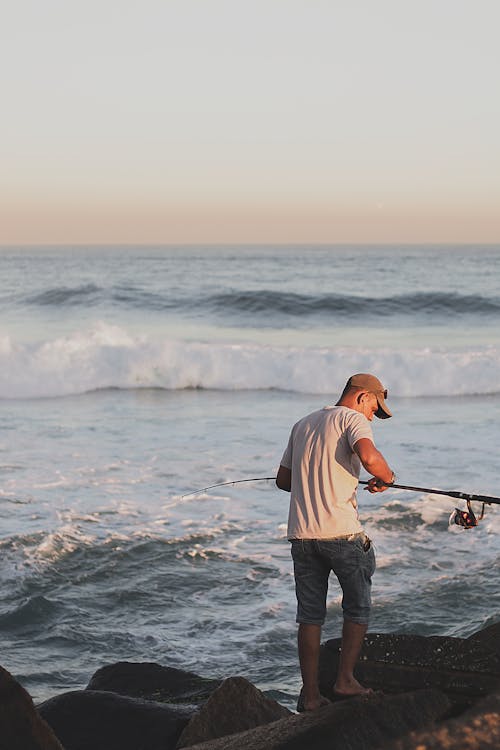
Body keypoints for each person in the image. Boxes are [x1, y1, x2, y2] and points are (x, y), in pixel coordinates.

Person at [276, 373, 395, 712]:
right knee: (357, 607)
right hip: (341, 534)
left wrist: (320, 478)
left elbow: (284, 480)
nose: (373, 416)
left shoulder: (302, 424)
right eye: (375, 407)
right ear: (361, 398)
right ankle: (345, 680)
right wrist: (387, 478)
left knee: (310, 617)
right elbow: (370, 458)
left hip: (302, 536)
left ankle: (311, 696)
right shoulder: (352, 419)